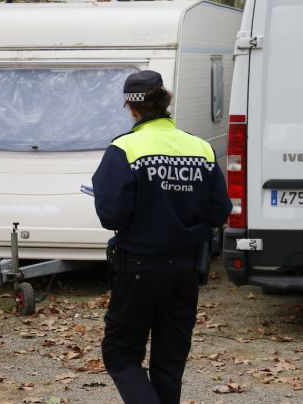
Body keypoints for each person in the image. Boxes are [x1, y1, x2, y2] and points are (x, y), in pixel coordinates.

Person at [92, 70, 232, 404]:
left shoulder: (124, 149)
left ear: (131, 107)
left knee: (120, 354)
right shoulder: (201, 149)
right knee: (168, 364)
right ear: (166, 100)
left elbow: (110, 215)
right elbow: (219, 212)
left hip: (138, 269)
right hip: (184, 272)